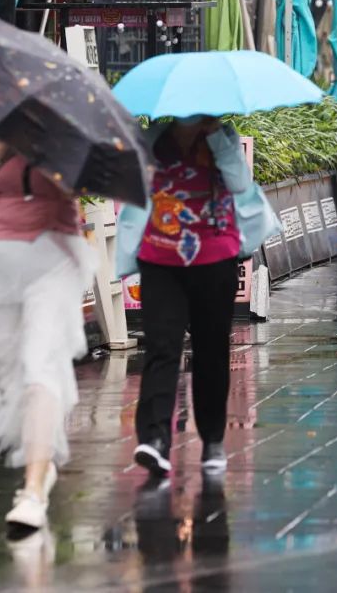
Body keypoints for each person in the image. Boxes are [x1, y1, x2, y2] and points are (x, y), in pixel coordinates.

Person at [0, 126, 95, 533]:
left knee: (39, 366)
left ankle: (32, 491)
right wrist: (4, 146)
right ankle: (40, 463)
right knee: (10, 377)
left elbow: (81, 182)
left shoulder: (71, 122)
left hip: (55, 254)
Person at [132, 116, 249, 477]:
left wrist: (215, 138)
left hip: (215, 256)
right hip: (160, 257)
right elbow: (132, 186)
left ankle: (212, 439)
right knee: (162, 347)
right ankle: (154, 440)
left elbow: (240, 184)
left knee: (211, 349)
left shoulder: (224, 136)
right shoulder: (152, 139)